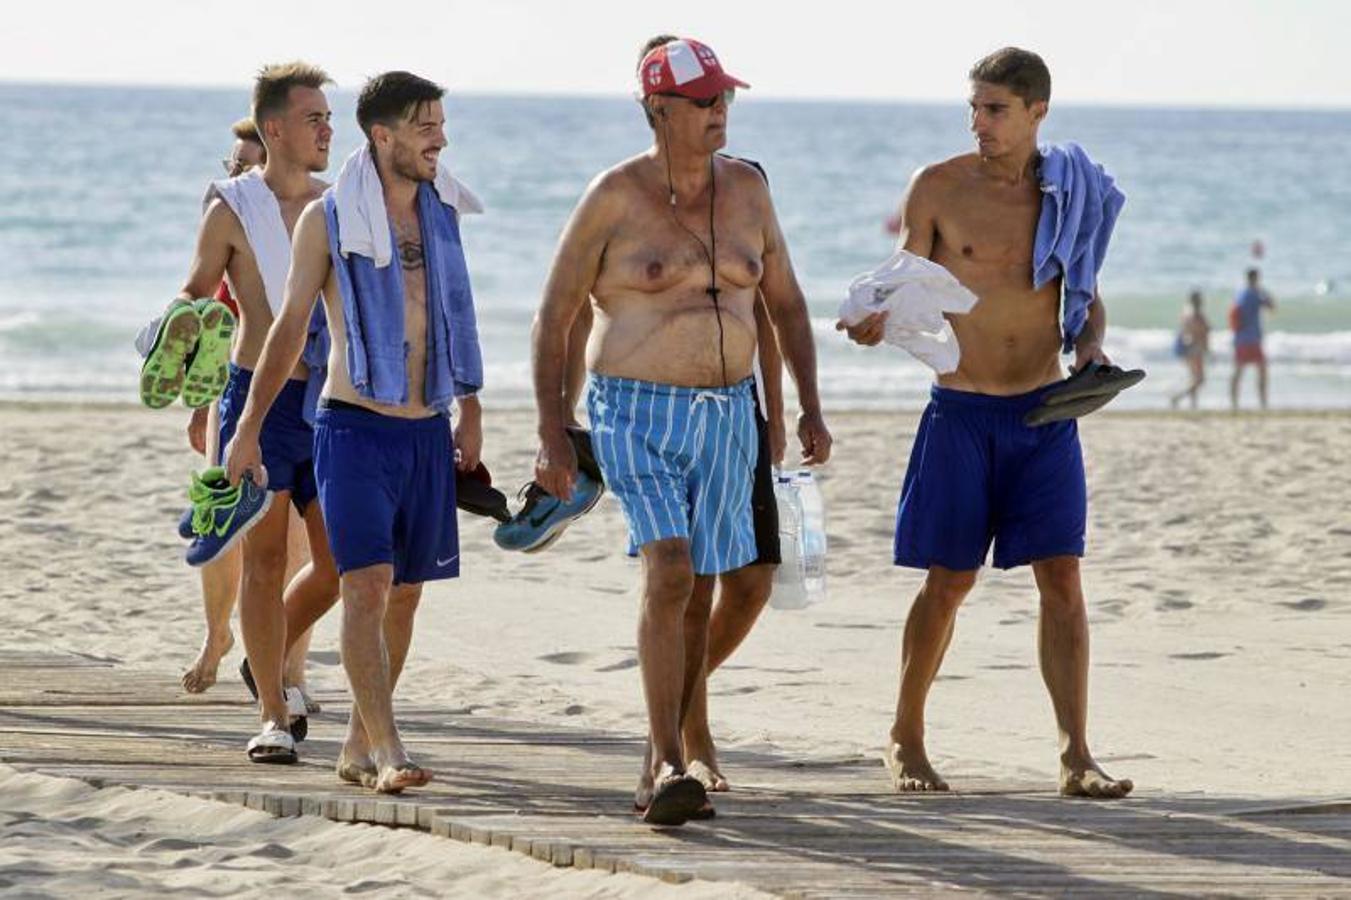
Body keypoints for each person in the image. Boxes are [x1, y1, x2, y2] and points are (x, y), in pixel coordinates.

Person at [531, 36, 830, 825]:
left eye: (724, 97)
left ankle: (660, 755)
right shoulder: (613, 196)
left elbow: (788, 304)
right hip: (635, 409)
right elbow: (555, 313)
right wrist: (552, 431)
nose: (718, 111)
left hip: (729, 411)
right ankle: (665, 758)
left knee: (701, 587)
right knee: (668, 568)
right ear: (657, 108)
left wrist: (806, 403)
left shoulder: (747, 192)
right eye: (703, 101)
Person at [842, 47, 1133, 799]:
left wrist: (1091, 346)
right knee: (948, 580)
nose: (979, 123)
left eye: (995, 109)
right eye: (972, 107)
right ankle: (904, 738)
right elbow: (904, 277)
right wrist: (875, 317)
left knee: (1062, 578)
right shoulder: (938, 187)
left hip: (1042, 413)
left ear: (1037, 112)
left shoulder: (1067, 192)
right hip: (962, 412)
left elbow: (1085, 288)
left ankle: (1075, 755)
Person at [226, 71, 485, 794]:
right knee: (365, 584)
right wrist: (247, 430)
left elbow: (454, 315)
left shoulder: (443, 212)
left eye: (440, 122)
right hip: (353, 427)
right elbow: (286, 332)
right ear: (384, 135)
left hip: (425, 428)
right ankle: (391, 748)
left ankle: (355, 742)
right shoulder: (331, 219)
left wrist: (471, 409)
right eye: (425, 125)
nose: (440, 138)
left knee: (404, 593)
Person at [176, 62, 340, 764]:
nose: (328, 129)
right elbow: (198, 302)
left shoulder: (339, 206)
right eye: (314, 118)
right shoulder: (231, 209)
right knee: (265, 560)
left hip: (331, 402)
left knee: (345, 563)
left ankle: (262, 658)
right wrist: (195, 399)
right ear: (275, 128)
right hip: (254, 400)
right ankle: (273, 714)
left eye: (329, 118)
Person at [1230, 267, 1275, 410]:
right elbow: (1271, 306)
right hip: (1253, 339)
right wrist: (1264, 291)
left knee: (1238, 372)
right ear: (1256, 278)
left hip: (1240, 338)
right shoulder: (1255, 294)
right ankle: (1263, 403)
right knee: (1261, 372)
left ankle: (1234, 403)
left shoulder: (1240, 294)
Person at [1169, 289, 1210, 410]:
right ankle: (1178, 397)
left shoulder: (1186, 313)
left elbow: (1186, 332)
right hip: (1195, 349)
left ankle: (1193, 404)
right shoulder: (1196, 314)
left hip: (1189, 349)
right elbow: (1199, 332)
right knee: (1200, 379)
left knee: (1194, 378)